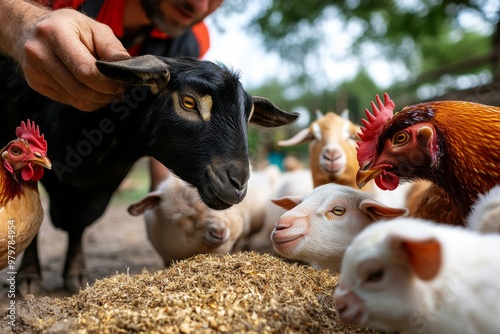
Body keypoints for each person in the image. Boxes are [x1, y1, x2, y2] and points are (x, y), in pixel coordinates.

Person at [0, 0, 223, 190]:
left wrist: (162, 189)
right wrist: (23, 24)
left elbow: (169, 120)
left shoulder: (194, 41)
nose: (199, 5)